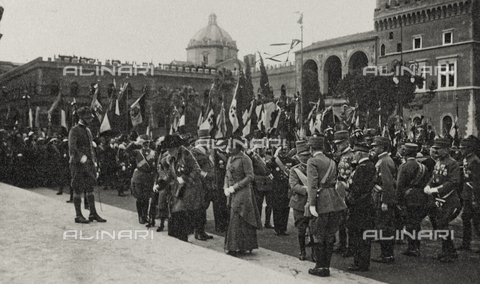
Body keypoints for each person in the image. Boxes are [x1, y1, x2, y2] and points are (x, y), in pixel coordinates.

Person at [307, 135, 347, 277]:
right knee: (330, 235)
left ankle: (319, 266)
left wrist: (311, 204)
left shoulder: (312, 161)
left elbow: (312, 184)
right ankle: (327, 267)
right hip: (334, 200)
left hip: (320, 201)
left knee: (318, 233)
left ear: (311, 148)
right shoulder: (331, 161)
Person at [159, 134, 203, 242]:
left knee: (180, 213)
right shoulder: (172, 158)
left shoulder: (186, 154)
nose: (168, 151)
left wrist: (185, 179)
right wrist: (163, 182)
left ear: (176, 147)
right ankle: (178, 238)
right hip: (179, 189)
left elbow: (197, 170)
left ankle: (182, 239)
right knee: (175, 213)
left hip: (190, 189)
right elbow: (170, 173)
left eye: (170, 149)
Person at [424, 137, 461, 262]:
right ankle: (450, 251)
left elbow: (453, 182)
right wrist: (429, 185)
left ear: (446, 150)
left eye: (438, 149)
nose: (436, 151)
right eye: (435, 149)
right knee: (440, 225)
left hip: (449, 200)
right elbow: (434, 177)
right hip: (440, 200)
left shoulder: (453, 163)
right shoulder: (438, 162)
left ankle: (449, 253)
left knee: (442, 225)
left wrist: (437, 190)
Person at [224, 136, 262, 255]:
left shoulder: (245, 159)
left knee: (238, 217)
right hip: (231, 192)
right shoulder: (230, 158)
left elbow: (250, 177)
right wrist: (225, 187)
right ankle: (240, 246)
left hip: (243, 192)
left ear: (238, 147)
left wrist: (234, 187)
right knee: (235, 218)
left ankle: (234, 248)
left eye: (232, 146)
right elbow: (226, 175)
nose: (229, 148)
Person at [68, 106, 106, 223]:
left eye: (90, 117)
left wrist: (94, 162)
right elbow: (72, 147)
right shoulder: (74, 130)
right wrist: (82, 158)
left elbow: (91, 148)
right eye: (88, 117)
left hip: (89, 164)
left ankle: (93, 213)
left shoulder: (88, 131)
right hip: (77, 164)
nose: (90, 119)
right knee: (78, 188)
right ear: (82, 117)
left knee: (90, 188)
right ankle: (78, 215)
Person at [396, 143, 430, 257]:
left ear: (405, 153)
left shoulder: (404, 166)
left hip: (408, 198)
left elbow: (399, 185)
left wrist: (398, 201)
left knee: (410, 223)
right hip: (421, 197)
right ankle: (417, 247)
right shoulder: (422, 166)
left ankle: (412, 247)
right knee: (416, 223)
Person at [346, 143, 376, 272]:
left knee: (358, 235)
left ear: (360, 154)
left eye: (355, 153)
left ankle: (360, 263)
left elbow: (356, 188)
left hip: (359, 206)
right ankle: (363, 262)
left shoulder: (361, 168)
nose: (354, 155)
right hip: (367, 205)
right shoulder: (371, 166)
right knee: (364, 236)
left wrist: (348, 195)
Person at [371, 136, 397, 264]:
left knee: (384, 227)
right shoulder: (384, 159)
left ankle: (386, 255)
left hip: (382, 198)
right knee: (385, 226)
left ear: (382, 147)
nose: (374, 148)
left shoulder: (384, 161)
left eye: (376, 146)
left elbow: (387, 183)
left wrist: (385, 201)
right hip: (381, 197)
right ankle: (387, 254)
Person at [332, 130, 355, 257]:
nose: (338, 146)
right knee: (340, 219)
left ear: (346, 142)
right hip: (340, 189)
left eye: (340, 144)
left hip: (347, 189)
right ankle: (341, 244)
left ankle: (348, 247)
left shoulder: (352, 155)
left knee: (347, 220)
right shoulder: (340, 155)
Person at [126, 134, 157, 225]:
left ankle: (145, 215)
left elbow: (155, 167)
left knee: (147, 198)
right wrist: (135, 143)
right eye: (144, 142)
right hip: (139, 176)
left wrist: (155, 178)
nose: (146, 144)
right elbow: (127, 150)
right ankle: (140, 216)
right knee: (140, 198)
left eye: (147, 142)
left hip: (148, 177)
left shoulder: (154, 153)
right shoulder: (137, 152)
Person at [189, 129, 215, 241]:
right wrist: (204, 175)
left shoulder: (208, 151)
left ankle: (201, 230)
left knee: (204, 207)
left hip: (208, 184)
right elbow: (193, 168)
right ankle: (198, 231)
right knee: (199, 208)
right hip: (199, 184)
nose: (207, 142)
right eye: (205, 140)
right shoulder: (194, 152)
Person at [288, 140, 311, 260]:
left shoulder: (314, 167)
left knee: (313, 228)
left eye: (308, 155)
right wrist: (308, 190)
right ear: (298, 156)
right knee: (301, 230)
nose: (307, 157)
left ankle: (315, 253)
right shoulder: (294, 170)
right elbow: (294, 186)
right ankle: (302, 251)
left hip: (313, 202)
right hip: (299, 203)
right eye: (304, 155)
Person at [267, 144, 296, 236]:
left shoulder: (291, 161)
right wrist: (274, 156)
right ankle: (277, 229)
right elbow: (267, 166)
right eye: (281, 150)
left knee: (285, 209)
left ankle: (283, 229)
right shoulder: (275, 161)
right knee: (277, 209)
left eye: (285, 149)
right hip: (276, 188)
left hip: (286, 188)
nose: (283, 151)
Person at [458, 137, 480, 252]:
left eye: (463, 148)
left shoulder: (474, 161)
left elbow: (476, 182)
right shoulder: (467, 159)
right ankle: (465, 244)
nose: (461, 150)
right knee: (465, 218)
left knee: (476, 221)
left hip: (473, 194)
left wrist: (476, 199)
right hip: (467, 193)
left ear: (470, 148)